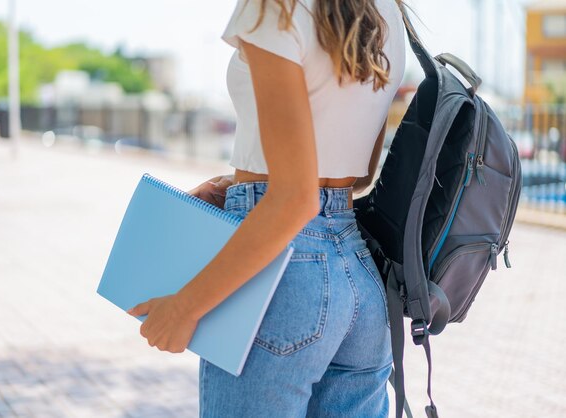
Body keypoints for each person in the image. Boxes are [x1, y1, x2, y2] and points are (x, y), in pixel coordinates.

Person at [126, 0, 407, 416]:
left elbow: (295, 201)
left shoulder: (274, 6)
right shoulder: (389, 12)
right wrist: (239, 183)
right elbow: (357, 174)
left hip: (284, 278)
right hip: (360, 279)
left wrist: (184, 308)